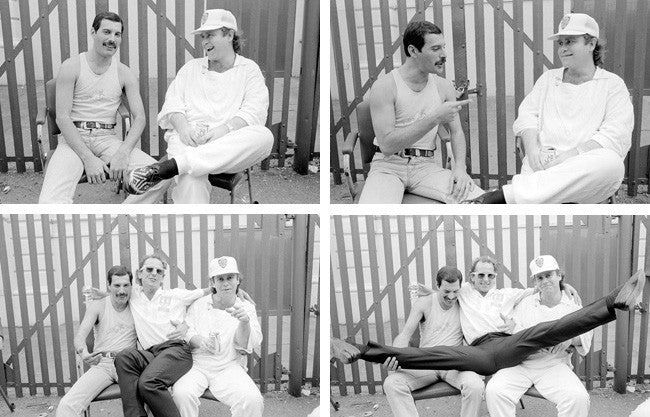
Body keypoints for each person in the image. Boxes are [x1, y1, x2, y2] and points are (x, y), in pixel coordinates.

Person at [332, 269, 645, 377]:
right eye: (479, 275)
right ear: (471, 278)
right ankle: (359, 351)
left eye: (489, 275)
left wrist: (564, 286)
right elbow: (447, 291)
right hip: (480, 353)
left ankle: (613, 300)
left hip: (509, 343)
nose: (485, 280)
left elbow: (539, 287)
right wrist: (430, 292)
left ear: (495, 278)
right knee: (438, 354)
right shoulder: (463, 291)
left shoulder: (506, 293)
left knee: (545, 330)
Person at [467, 13, 633, 203]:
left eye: (570, 41)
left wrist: (568, 157)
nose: (562, 49)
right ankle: (546, 197)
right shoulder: (548, 79)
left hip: (582, 170)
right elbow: (527, 117)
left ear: (591, 44)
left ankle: (504, 196)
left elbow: (615, 134)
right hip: (542, 166)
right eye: (560, 43)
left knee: (612, 165)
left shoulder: (612, 84)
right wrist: (532, 152)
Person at [124, 9, 273, 203]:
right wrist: (183, 128)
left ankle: (170, 167)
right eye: (202, 36)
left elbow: (254, 112)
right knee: (192, 182)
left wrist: (223, 130)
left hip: (226, 148)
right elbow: (172, 105)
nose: (204, 42)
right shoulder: (191, 68)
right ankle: (180, 169)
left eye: (210, 35)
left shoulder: (249, 70)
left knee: (265, 137)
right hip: (188, 143)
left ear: (229, 35)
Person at [38, 11, 169, 204]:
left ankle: (122, 218)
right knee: (49, 201)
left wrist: (123, 153)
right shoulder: (71, 66)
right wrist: (88, 158)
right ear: (93, 32)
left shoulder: (124, 73)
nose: (112, 39)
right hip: (73, 140)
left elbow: (140, 117)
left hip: (107, 139)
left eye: (117, 34)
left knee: (160, 177)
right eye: (106, 32)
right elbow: (63, 118)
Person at [358, 20, 483, 204]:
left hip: (425, 167)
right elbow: (387, 145)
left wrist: (460, 168)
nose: (444, 55)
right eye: (435, 49)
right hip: (388, 166)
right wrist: (435, 118)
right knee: (373, 215)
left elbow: (456, 132)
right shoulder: (385, 86)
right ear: (413, 51)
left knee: (479, 200)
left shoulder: (444, 86)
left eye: (444, 47)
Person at [485, 255, 592, 417]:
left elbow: (586, 333)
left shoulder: (572, 304)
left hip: (553, 365)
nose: (545, 280)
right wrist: (513, 328)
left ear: (559, 275)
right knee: (495, 390)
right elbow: (513, 328)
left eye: (549, 275)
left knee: (578, 398)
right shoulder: (526, 302)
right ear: (535, 282)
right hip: (521, 363)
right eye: (539, 277)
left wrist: (571, 338)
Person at [114, 255, 213, 417]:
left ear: (162, 277)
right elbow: (117, 291)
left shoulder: (176, 295)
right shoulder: (133, 295)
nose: (154, 273)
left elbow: (210, 292)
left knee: (148, 383)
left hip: (176, 351)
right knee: (124, 357)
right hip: (151, 354)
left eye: (159, 271)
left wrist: (238, 290)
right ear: (139, 273)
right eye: (149, 269)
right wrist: (100, 295)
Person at [382, 266, 483, 417]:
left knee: (475, 385)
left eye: (455, 291)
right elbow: (405, 334)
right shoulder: (424, 303)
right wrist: (393, 355)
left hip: (453, 363)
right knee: (392, 384)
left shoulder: (464, 301)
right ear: (437, 287)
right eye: (446, 291)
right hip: (426, 362)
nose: (451, 296)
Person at [172, 256, 263, 417]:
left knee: (253, 399)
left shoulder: (246, 307)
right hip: (197, 365)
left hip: (228, 367)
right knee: (181, 394)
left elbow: (245, 346)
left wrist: (244, 323)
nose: (226, 283)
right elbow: (188, 331)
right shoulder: (199, 304)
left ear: (237, 280)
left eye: (230, 278)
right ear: (212, 282)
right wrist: (201, 342)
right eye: (220, 279)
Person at [56, 266, 137, 416]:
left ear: (131, 286)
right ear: (108, 285)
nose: (121, 290)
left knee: (151, 396)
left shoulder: (137, 304)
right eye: (116, 285)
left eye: (126, 285)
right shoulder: (98, 306)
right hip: (103, 365)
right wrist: (83, 353)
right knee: (67, 405)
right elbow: (80, 336)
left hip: (128, 365)